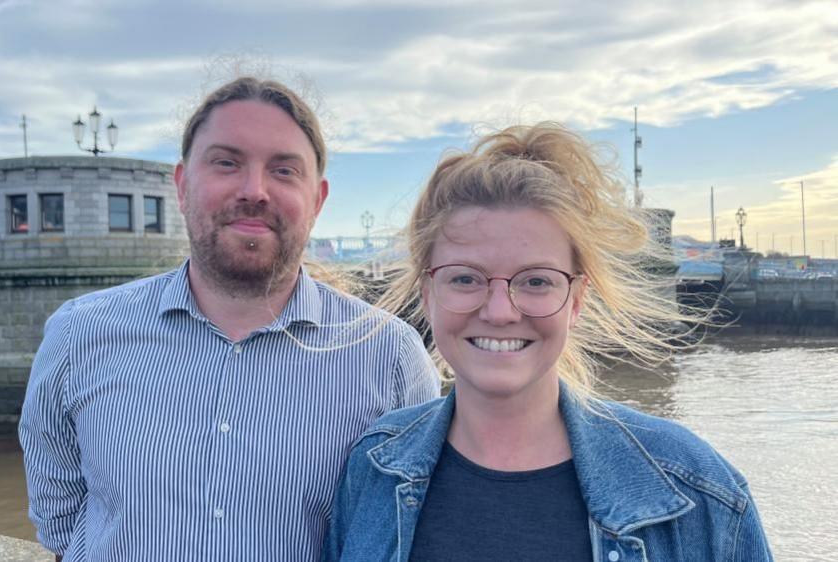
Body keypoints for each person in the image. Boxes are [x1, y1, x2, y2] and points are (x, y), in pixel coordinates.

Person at [19, 76, 440, 561]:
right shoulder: (79, 336)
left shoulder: (390, 357)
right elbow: (63, 522)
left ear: (318, 200)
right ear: (181, 184)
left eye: (284, 170)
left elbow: (400, 533)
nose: (254, 190)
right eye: (226, 162)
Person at [324, 123, 773, 561]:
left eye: (536, 280)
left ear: (576, 300)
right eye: (465, 278)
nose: (500, 311)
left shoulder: (699, 491)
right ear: (427, 294)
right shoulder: (372, 468)